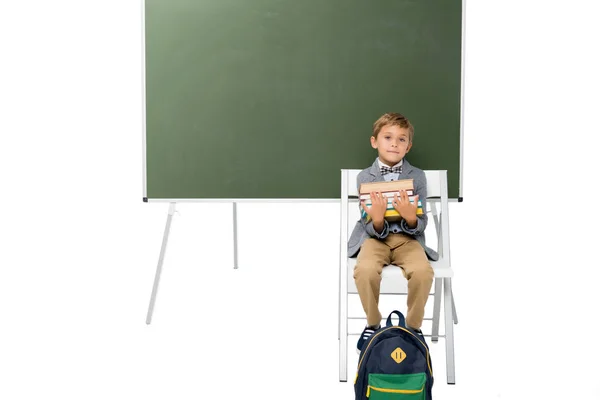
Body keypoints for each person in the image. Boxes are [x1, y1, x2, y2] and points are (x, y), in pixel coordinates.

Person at [348, 112, 439, 353]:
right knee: (364, 270)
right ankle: (373, 322)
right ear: (374, 141)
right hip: (374, 239)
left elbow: (421, 222)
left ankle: (413, 328)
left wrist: (410, 216)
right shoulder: (364, 177)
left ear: (408, 146)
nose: (394, 144)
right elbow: (368, 224)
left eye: (401, 139)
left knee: (422, 271)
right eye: (388, 137)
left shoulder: (417, 176)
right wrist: (377, 220)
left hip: (408, 240)